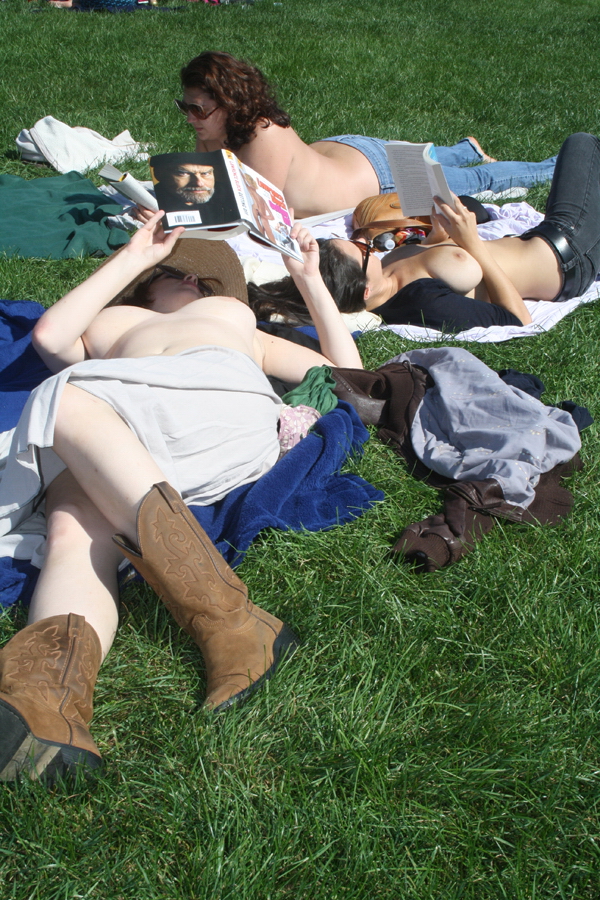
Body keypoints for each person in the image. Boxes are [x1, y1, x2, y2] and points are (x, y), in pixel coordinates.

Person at [0, 214, 362, 783]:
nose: (193, 280)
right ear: (147, 282)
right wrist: (137, 255)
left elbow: (350, 375)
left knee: (61, 402)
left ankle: (230, 621)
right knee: (72, 527)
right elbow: (49, 337)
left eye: (206, 280)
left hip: (212, 407)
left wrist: (310, 281)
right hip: (115, 427)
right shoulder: (107, 325)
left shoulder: (238, 320)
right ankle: (47, 701)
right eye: (177, 272)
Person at [249, 134, 600, 334]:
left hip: (540, 237)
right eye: (362, 250)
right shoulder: (422, 304)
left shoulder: (385, 271)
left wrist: (438, 233)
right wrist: (472, 243)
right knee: (583, 144)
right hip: (567, 256)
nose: (364, 242)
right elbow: (519, 321)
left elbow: (434, 257)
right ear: (365, 290)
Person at [172, 51, 557, 219]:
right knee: (435, 161)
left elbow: (254, 213)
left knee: (478, 181)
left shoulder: (262, 134)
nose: (190, 118)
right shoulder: (216, 128)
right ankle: (464, 149)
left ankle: (560, 164)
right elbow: (203, 192)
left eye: (199, 109)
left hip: (382, 176)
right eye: (185, 107)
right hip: (349, 154)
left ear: (230, 103)